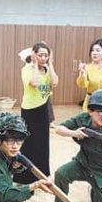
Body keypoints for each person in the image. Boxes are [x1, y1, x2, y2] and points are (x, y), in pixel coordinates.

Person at [14, 42, 58, 185]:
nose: (43, 58)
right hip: (29, 110)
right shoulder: (26, 69)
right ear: (33, 54)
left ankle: (43, 173)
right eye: (40, 55)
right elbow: (33, 82)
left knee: (43, 142)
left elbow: (54, 82)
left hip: (43, 109)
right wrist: (34, 64)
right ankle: (25, 176)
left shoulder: (46, 68)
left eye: (46, 55)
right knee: (29, 143)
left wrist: (50, 64)